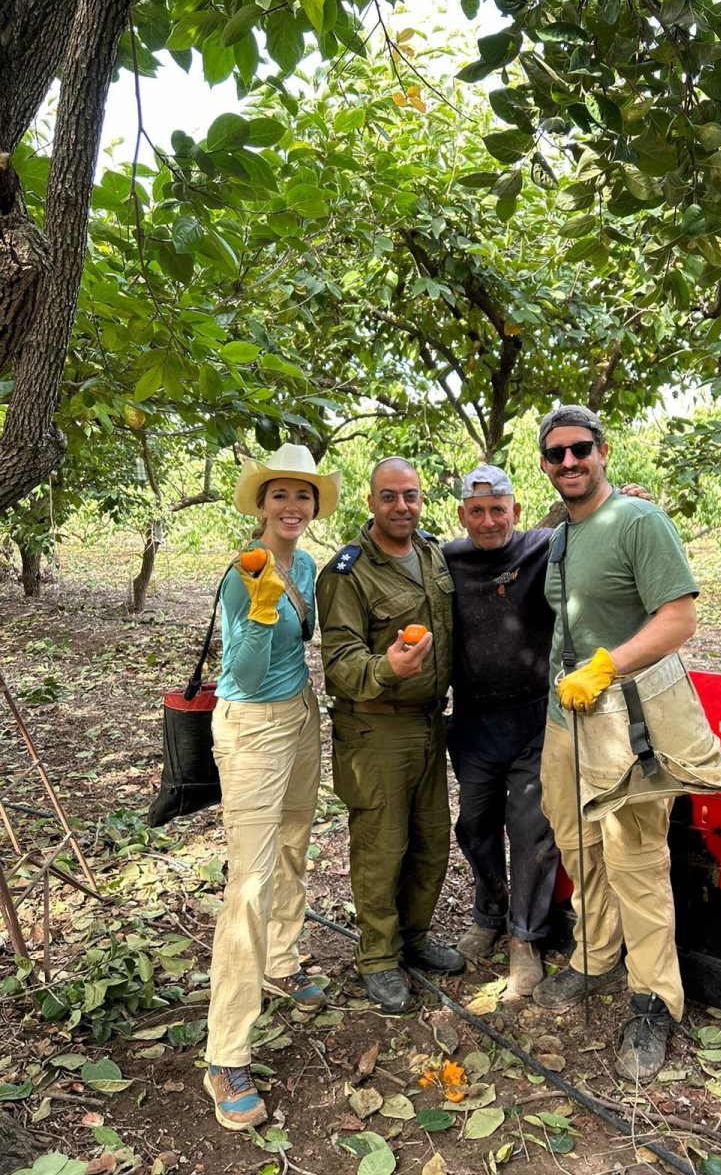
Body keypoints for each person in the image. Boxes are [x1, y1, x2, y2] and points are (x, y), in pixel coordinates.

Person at [534, 405, 721, 1083]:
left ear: (602, 451)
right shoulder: (562, 535)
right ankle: (594, 957)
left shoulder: (639, 521)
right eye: (556, 453)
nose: (570, 461)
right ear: (545, 464)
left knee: (636, 859)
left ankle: (652, 999)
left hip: (626, 722)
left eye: (580, 449)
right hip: (565, 720)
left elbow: (678, 619)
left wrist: (606, 666)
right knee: (577, 843)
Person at [203, 443, 342, 1132]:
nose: (292, 506)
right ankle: (225, 1053)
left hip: (299, 717)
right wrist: (259, 611)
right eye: (280, 494)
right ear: (261, 505)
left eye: (303, 495)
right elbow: (247, 674)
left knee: (294, 842)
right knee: (250, 882)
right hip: (253, 727)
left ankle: (281, 962)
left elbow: (304, 641)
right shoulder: (245, 572)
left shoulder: (305, 565)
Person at [316, 457, 463, 1014]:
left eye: (411, 495)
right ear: (371, 502)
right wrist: (387, 668)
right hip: (375, 727)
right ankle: (378, 957)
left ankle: (414, 938)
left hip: (429, 722)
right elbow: (340, 661)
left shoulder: (431, 554)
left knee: (431, 840)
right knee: (382, 846)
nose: (402, 506)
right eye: (389, 496)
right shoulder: (347, 573)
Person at [444, 464, 559, 997]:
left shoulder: (543, 548)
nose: (488, 520)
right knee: (474, 824)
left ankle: (525, 938)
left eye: (498, 509)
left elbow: (593, 530)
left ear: (516, 510)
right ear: (462, 514)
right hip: (474, 721)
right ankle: (488, 913)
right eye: (477, 511)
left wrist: (627, 504)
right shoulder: (446, 560)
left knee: (532, 829)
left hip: (535, 718)